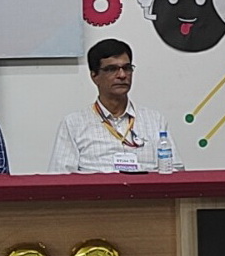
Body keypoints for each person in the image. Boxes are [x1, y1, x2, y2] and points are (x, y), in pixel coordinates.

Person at [48, 39, 175, 174]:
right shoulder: (74, 124)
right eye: (112, 69)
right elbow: (60, 177)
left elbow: (175, 171)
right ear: (94, 76)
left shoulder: (155, 120)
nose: (122, 75)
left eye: (127, 68)